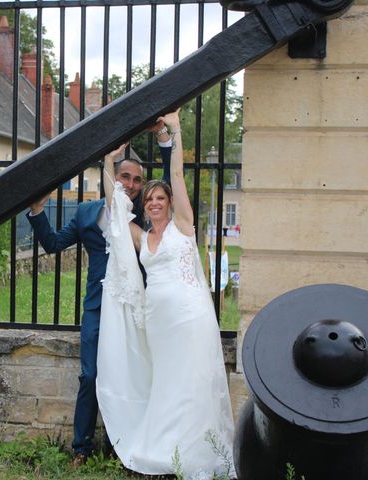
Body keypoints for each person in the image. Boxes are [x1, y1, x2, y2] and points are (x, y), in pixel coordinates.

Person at [97, 111, 236, 479]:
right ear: (145, 206)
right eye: (150, 200)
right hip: (158, 322)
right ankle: (166, 450)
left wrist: (174, 131)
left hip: (190, 317)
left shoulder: (183, 226)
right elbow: (114, 209)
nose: (155, 203)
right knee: (168, 382)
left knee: (191, 382)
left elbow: (177, 175)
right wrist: (109, 162)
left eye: (161, 198)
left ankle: (195, 455)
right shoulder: (142, 237)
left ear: (170, 202)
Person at [26, 131, 172, 467]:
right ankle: (81, 447)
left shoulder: (146, 213)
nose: (133, 184)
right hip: (97, 308)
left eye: (137, 180)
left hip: (137, 308)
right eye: (125, 176)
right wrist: (37, 212)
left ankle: (132, 445)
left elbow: (167, 187)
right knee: (90, 375)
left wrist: (166, 143)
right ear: (113, 176)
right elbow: (53, 244)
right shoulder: (86, 213)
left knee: (138, 374)